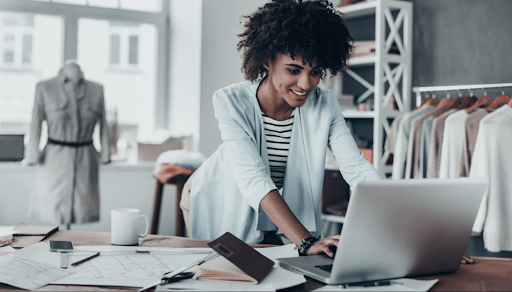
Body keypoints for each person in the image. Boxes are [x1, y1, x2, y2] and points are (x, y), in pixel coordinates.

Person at [180, 0, 380, 257]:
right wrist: (306, 242)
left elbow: (356, 168)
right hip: (216, 193)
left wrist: (390, 212)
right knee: (228, 273)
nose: (306, 83)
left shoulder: (325, 104)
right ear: (267, 60)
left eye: (315, 71)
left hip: (269, 201)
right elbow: (254, 179)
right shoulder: (230, 101)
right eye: (293, 70)